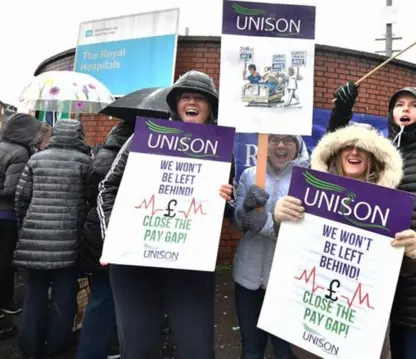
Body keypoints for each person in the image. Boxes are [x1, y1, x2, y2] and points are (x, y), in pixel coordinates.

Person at [98, 70, 235, 359]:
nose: (192, 102)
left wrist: (226, 199)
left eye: (200, 98)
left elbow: (220, 213)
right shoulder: (145, 136)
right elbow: (107, 188)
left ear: (210, 107)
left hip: (189, 264)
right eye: (186, 96)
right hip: (135, 260)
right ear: (175, 104)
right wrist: (112, 238)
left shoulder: (221, 149)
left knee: (197, 350)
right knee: (137, 350)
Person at [328, 82, 416, 358]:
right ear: (391, 113)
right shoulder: (378, 152)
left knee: (410, 349)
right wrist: (340, 113)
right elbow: (340, 156)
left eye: (414, 105)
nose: (406, 109)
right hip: (371, 270)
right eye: (400, 105)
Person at [273, 123, 416, 359]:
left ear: (373, 157)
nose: (354, 152)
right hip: (310, 325)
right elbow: (292, 243)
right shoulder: (312, 193)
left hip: (360, 330)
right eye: (348, 147)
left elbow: (405, 267)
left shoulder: (391, 203)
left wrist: (414, 251)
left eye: (362, 148)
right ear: (336, 153)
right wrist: (280, 218)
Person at [13, 119, 92, 358]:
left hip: (34, 236)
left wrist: (25, 227)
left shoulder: (36, 159)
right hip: (68, 240)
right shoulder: (84, 163)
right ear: (78, 135)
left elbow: (21, 198)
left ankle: (30, 346)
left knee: (34, 294)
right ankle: (57, 345)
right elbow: (88, 201)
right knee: (64, 296)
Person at [233, 134, 309, 359]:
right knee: (251, 350)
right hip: (248, 278)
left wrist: (266, 224)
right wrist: (244, 212)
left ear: (298, 146)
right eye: (274, 139)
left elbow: (305, 232)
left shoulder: (306, 182)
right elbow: (236, 225)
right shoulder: (250, 175)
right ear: (265, 144)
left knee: (285, 353)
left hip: (287, 282)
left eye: (288, 140)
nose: (281, 146)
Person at [76, 120, 134, 359]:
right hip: (109, 236)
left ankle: (104, 347)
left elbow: (90, 193)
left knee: (103, 299)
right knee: (105, 301)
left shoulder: (101, 154)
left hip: (96, 232)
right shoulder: (125, 156)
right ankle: (92, 352)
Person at [0, 113, 41, 338]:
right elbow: (12, 190)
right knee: (5, 263)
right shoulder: (20, 153)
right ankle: (5, 303)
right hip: (6, 216)